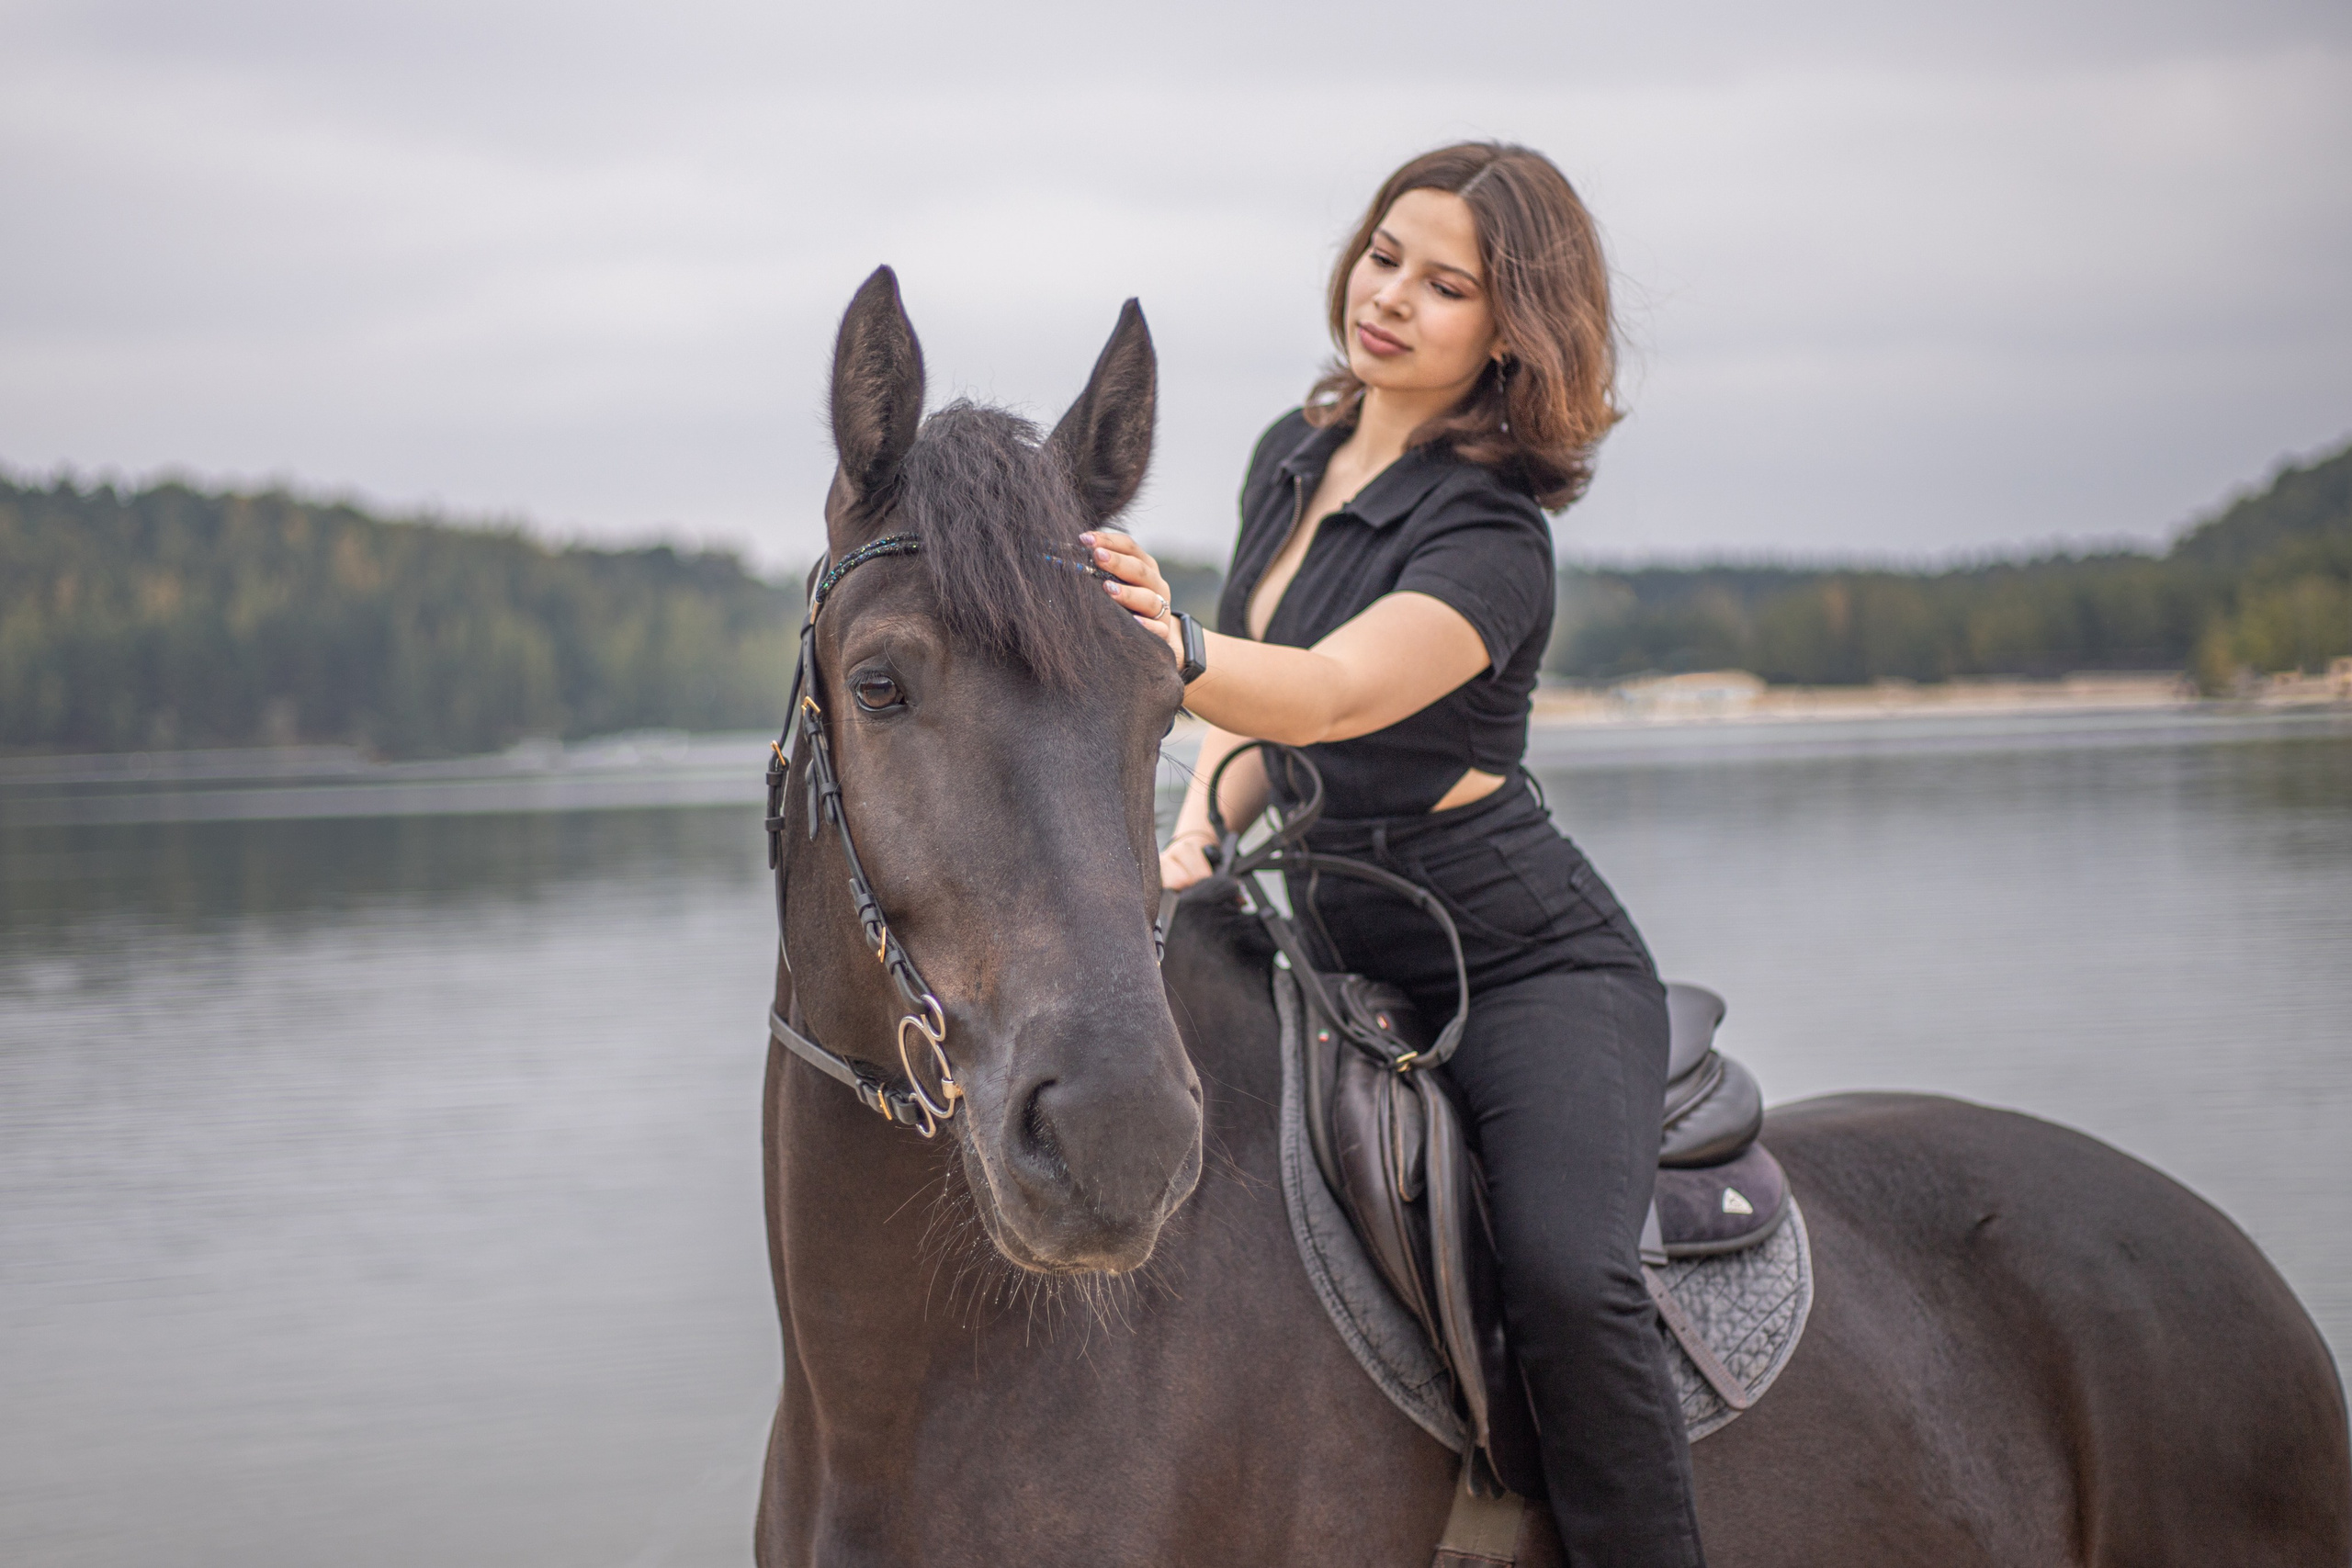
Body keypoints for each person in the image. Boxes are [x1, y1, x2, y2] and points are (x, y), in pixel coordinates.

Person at [1084, 142, 1706, 1566]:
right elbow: (1262, 721)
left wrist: (1168, 646)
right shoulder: (1287, 458)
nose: (1391, 300)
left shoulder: (1494, 536)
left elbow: (1333, 692)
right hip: (1326, 930)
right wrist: (1195, 832)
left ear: (1513, 331)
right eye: (1383, 257)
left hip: (1520, 957)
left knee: (1568, 1273)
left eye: (1447, 286)